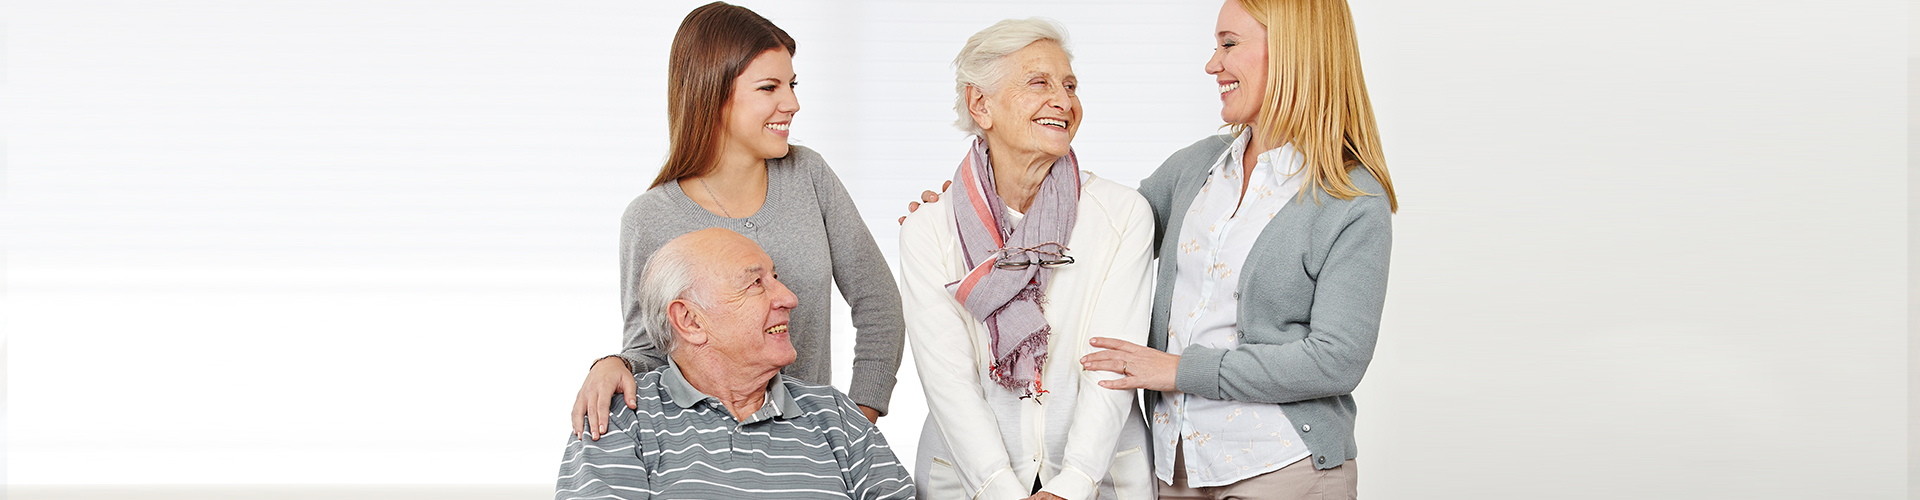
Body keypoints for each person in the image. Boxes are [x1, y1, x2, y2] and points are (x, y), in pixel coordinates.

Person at [910, 1, 1396, 498]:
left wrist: (1179, 370)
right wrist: (964, 211)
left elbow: (1338, 359)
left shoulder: (1351, 199)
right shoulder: (1199, 168)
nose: (1212, 63)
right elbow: (1093, 224)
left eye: (1229, 44)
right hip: (1177, 470)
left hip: (1283, 466)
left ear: (1296, 53)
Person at [570, 1, 904, 441]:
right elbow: (651, 349)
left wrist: (858, 419)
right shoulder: (650, 217)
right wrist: (612, 363)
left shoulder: (809, 176)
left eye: (792, 84)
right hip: (703, 454)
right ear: (713, 94)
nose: (793, 103)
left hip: (809, 451)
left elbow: (879, 303)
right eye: (769, 88)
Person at [897, 18, 1156, 500]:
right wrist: (999, 488)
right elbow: (947, 380)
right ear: (981, 104)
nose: (1063, 100)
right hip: (969, 483)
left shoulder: (1122, 214)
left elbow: (1111, 364)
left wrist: (1074, 483)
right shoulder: (928, 228)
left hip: (1099, 480)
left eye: (1070, 85)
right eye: (1039, 82)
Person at [555, 228, 916, 500]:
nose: (789, 298)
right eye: (756, 283)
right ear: (691, 322)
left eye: (775, 277)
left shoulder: (835, 415)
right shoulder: (620, 419)